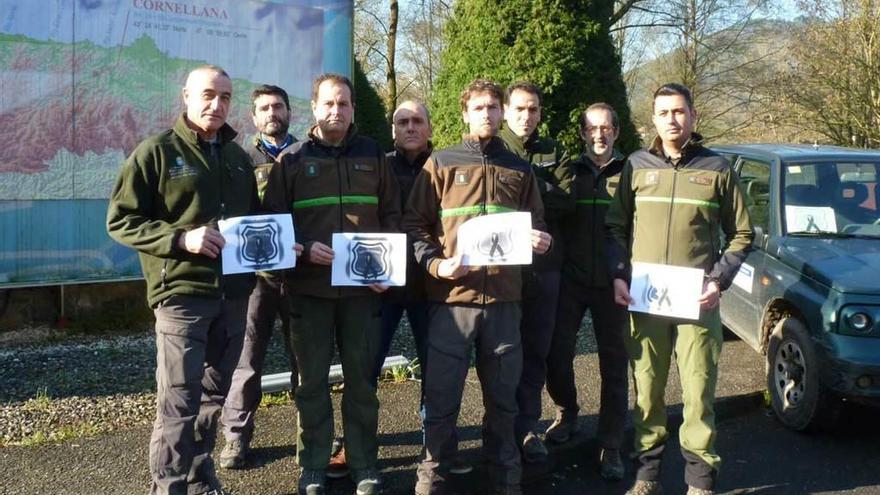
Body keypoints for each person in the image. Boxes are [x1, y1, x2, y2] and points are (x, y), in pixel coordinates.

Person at [107, 65, 264, 495]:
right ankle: (169, 486)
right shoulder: (156, 152)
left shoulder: (237, 158)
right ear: (187, 96)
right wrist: (180, 238)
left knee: (213, 398)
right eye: (208, 94)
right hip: (181, 296)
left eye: (226, 97)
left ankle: (198, 477)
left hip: (233, 295)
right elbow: (121, 220)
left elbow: (251, 222)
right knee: (179, 400)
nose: (217, 104)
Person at [403, 79, 552, 495]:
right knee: (442, 398)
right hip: (452, 302)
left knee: (504, 400)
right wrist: (434, 263)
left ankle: (505, 477)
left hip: (505, 303)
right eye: (478, 108)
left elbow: (537, 223)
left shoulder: (519, 168)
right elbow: (414, 224)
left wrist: (542, 239)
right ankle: (432, 477)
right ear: (465, 114)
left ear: (502, 112)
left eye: (493, 107)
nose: (487, 114)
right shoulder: (441, 162)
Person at [605, 83, 753, 495]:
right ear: (652, 119)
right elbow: (615, 227)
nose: (672, 119)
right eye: (664, 113)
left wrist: (718, 280)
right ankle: (647, 474)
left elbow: (743, 233)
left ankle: (700, 480)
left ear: (693, 116)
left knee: (698, 389)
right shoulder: (636, 165)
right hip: (646, 298)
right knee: (648, 389)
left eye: (679, 112)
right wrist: (619, 274)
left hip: (697, 300)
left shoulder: (718, 169)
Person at [262, 73, 401, 495]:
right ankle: (314, 465)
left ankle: (364, 465)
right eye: (328, 104)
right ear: (314, 108)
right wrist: (302, 248)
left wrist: (387, 270)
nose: (336, 111)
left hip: (362, 294)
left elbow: (394, 217)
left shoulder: (374, 156)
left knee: (362, 382)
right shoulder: (291, 161)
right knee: (311, 383)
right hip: (309, 292)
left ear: (353, 109)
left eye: (343, 104)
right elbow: (274, 229)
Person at [544, 102, 629, 480]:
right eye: (592, 128)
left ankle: (611, 443)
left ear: (616, 132)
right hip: (572, 280)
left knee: (614, 364)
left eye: (606, 128)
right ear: (582, 133)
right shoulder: (569, 171)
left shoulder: (631, 172)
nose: (599, 134)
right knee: (555, 354)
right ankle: (567, 411)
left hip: (614, 284)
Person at [219, 84, 299, 470]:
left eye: (278, 106)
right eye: (264, 108)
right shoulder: (238, 158)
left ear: (289, 112)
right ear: (253, 117)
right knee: (247, 360)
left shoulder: (306, 154)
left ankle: (310, 437)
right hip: (256, 279)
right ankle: (235, 438)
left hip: (303, 277)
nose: (272, 113)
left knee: (307, 360)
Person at [498, 82, 573, 464]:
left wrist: (520, 193)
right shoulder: (494, 149)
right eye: (520, 109)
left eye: (533, 110)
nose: (526, 117)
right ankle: (501, 427)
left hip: (545, 268)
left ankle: (526, 428)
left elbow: (565, 201)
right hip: (503, 270)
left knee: (536, 352)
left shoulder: (554, 150)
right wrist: (537, 194)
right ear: (506, 111)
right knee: (502, 352)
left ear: (540, 113)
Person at [373, 100, 433, 384]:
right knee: (368, 362)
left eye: (417, 121)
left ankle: (434, 429)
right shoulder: (376, 167)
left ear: (429, 128)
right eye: (403, 122)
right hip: (382, 283)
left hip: (430, 283)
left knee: (434, 366)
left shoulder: (444, 167)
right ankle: (362, 429)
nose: (410, 127)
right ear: (393, 129)